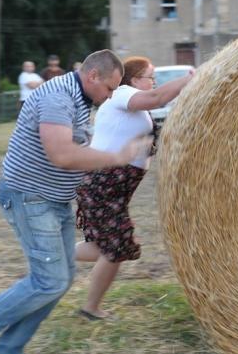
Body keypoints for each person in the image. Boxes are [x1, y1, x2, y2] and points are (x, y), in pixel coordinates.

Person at [0, 50, 151, 354]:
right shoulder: (59, 97)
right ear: (93, 77)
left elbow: (76, 150)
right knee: (49, 281)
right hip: (30, 197)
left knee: (59, 279)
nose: (113, 95)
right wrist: (117, 156)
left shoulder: (80, 97)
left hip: (51, 199)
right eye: (111, 88)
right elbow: (61, 154)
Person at [75, 56, 194, 320]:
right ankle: (90, 308)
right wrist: (190, 79)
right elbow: (156, 98)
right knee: (115, 247)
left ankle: (52, 252)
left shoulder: (134, 110)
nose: (153, 82)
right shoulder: (122, 94)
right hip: (103, 184)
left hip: (111, 188)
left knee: (110, 247)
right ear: (133, 79)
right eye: (150, 77)